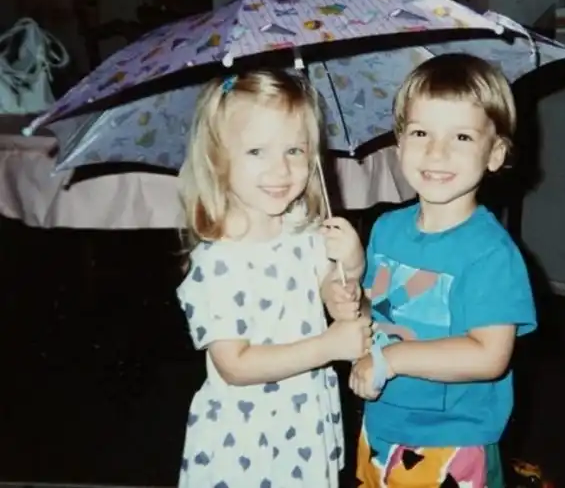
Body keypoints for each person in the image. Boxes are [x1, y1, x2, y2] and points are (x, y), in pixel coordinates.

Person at [326, 53, 537, 488]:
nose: (436, 151)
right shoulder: (386, 229)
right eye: (420, 132)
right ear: (399, 143)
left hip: (451, 440)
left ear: (495, 154)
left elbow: (489, 355)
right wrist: (349, 299)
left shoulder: (490, 254)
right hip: (382, 423)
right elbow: (374, 317)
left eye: (461, 136)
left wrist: (391, 360)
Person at [176, 69, 372, 488]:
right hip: (246, 443)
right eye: (256, 151)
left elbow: (332, 289)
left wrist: (350, 268)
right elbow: (235, 364)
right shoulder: (218, 261)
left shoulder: (301, 227)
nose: (281, 169)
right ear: (217, 158)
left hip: (304, 425)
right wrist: (329, 346)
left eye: (295, 150)